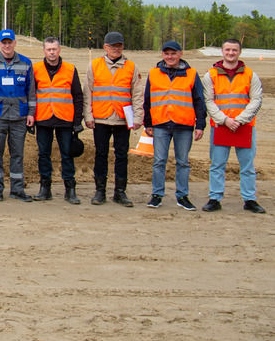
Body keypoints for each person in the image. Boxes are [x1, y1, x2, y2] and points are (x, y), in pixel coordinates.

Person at [202, 38, 264, 214]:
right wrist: (224, 120)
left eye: (234, 50)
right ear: (222, 51)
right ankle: (215, 198)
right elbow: (209, 100)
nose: (230, 53)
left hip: (244, 127)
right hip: (220, 126)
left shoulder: (250, 75)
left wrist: (240, 119)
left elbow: (256, 99)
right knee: (217, 165)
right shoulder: (211, 75)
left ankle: (250, 199)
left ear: (240, 52)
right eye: (227, 50)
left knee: (247, 166)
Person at [143, 40, 206, 210]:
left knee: (183, 162)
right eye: (166, 54)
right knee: (159, 161)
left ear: (180, 54)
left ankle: (182, 196)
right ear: (162, 55)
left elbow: (199, 100)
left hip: (183, 125)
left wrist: (200, 124)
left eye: (173, 53)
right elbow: (147, 100)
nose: (170, 57)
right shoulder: (154, 73)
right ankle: (157, 194)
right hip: (160, 124)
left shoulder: (192, 74)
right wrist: (147, 123)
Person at [84, 31, 143, 207]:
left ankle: (120, 192)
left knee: (122, 156)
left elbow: (138, 94)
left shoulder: (132, 67)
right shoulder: (94, 65)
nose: (116, 49)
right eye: (113, 46)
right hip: (101, 118)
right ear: (105, 47)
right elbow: (88, 92)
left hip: (122, 120)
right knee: (101, 155)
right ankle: (100, 191)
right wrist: (88, 115)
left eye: (119, 45)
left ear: (123, 46)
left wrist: (138, 117)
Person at [32, 37, 85, 204]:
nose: (52, 52)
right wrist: (31, 117)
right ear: (44, 51)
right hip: (43, 118)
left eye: (54, 49)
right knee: (43, 154)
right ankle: (45, 188)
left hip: (64, 119)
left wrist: (77, 121)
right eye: (48, 49)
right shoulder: (36, 69)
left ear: (59, 50)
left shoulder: (70, 69)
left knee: (67, 155)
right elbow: (31, 95)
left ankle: (70, 189)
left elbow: (78, 96)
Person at [0, 29, 35, 202]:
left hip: (19, 116)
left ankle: (17, 189)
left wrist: (31, 113)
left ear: (15, 43)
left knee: (17, 154)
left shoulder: (26, 63)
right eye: (4, 42)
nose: (7, 45)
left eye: (10, 42)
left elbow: (31, 91)